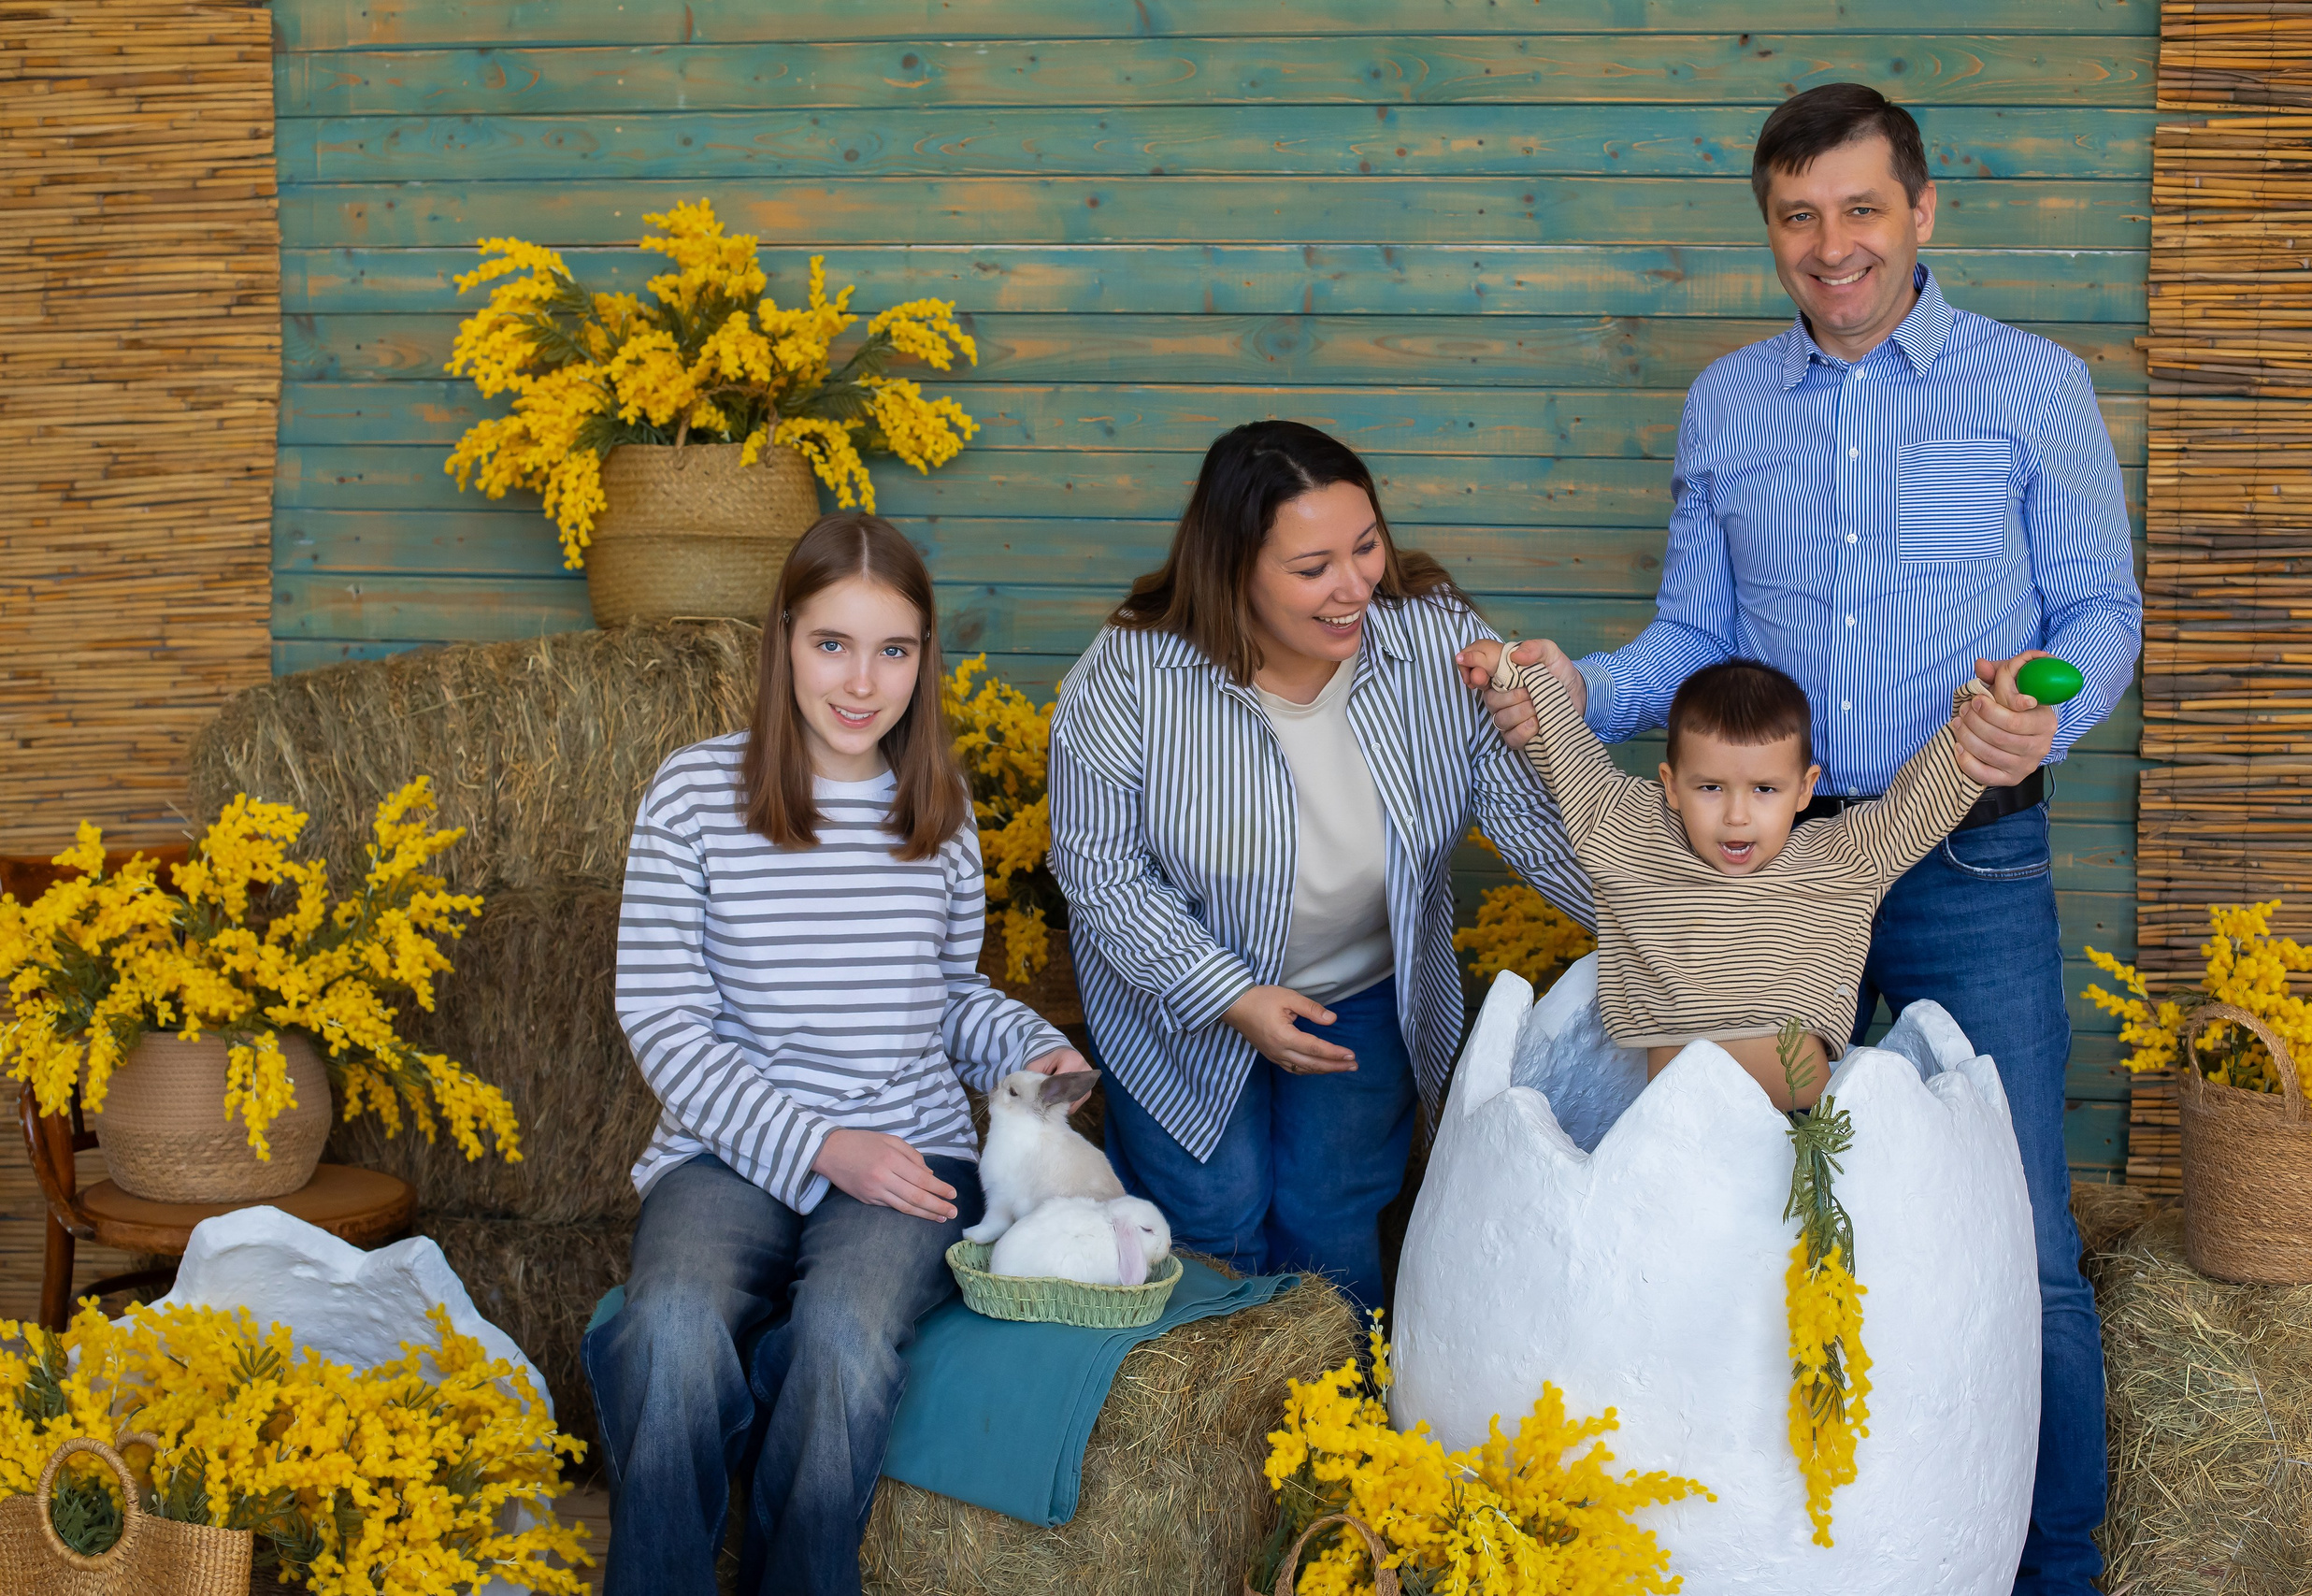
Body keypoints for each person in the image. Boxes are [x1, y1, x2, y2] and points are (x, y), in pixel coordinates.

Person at [1463, 83, 2137, 1594]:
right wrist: (1580, 687)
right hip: (1752, 875)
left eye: (1862, 209)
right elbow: (1693, 638)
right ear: (1768, 226)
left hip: (1965, 848)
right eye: (1798, 217)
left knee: (2022, 1233)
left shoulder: (2035, 387)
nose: (1833, 246)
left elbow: (2101, 610)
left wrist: (2046, 713)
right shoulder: (1726, 404)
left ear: (1923, 210)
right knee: (1730, 1203)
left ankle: (2056, 1564)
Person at [585, 512, 1091, 1596]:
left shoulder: (936, 806)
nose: (862, 682)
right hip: (727, 1152)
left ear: (922, 657)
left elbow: (945, 999)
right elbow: (664, 1018)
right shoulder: (693, 795)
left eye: (892, 649)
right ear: (783, 641)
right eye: (832, 644)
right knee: (668, 1330)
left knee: (843, 1338)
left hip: (909, 1148)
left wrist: (1032, 1045)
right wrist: (820, 1145)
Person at [1045, 420, 1600, 1312]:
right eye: (1313, 568)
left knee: (1332, 1227)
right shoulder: (1130, 676)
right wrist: (1230, 995)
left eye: (1367, 545)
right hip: (1181, 1005)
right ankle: (1213, 1400)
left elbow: (1531, 821)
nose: (1355, 586)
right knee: (1212, 1219)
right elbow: (1101, 875)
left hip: (1362, 992)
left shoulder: (1436, 646)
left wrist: (1679, 927)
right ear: (1232, 567)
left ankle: (1337, 1398)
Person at [1460, 647, 1991, 1108]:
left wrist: (1986, 715)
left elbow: (1923, 802)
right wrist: (1515, 671)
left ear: (1805, 789)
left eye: (1765, 789)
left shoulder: (1842, 856)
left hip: (1806, 1141)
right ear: (1671, 785)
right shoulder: (1633, 836)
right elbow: (1570, 759)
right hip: (1674, 1138)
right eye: (1711, 788)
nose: (1737, 816)